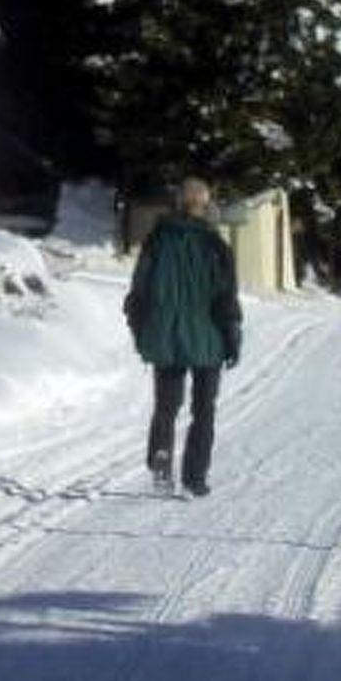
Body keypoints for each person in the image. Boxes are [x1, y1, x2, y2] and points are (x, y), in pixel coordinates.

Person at [123, 177, 243, 497]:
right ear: (205, 205)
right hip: (208, 340)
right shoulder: (216, 246)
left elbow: (139, 291)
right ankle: (194, 478)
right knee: (203, 410)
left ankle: (161, 464)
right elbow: (226, 299)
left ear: (178, 203)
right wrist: (232, 338)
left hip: (166, 338)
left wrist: (140, 331)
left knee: (166, 407)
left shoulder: (156, 240)